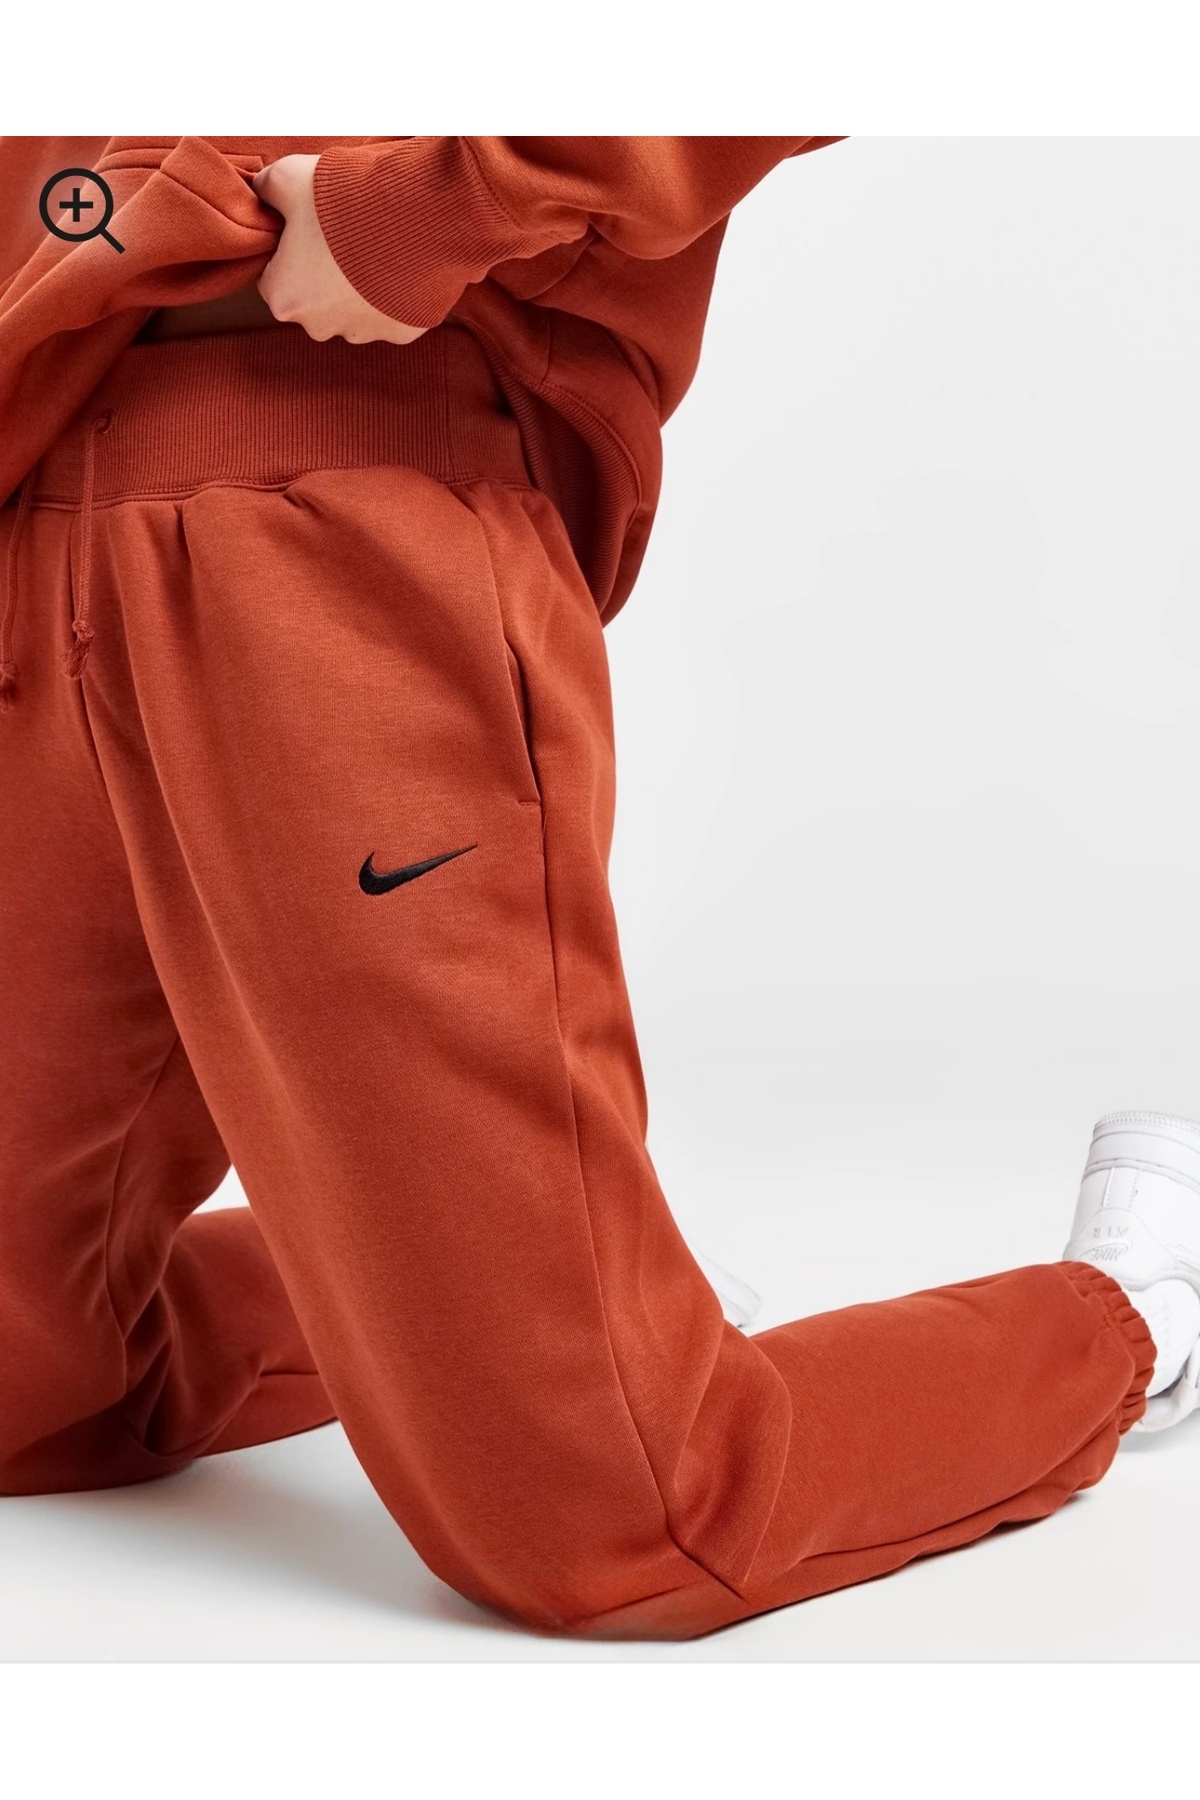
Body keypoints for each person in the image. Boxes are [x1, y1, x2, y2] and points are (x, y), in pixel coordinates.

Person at [0, 137, 1196, 1642]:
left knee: (628, 1516)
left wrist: (429, 200)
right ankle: (574, 1314)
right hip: (37, 504)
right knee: (29, 1387)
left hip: (337, 467)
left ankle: (1131, 1313)